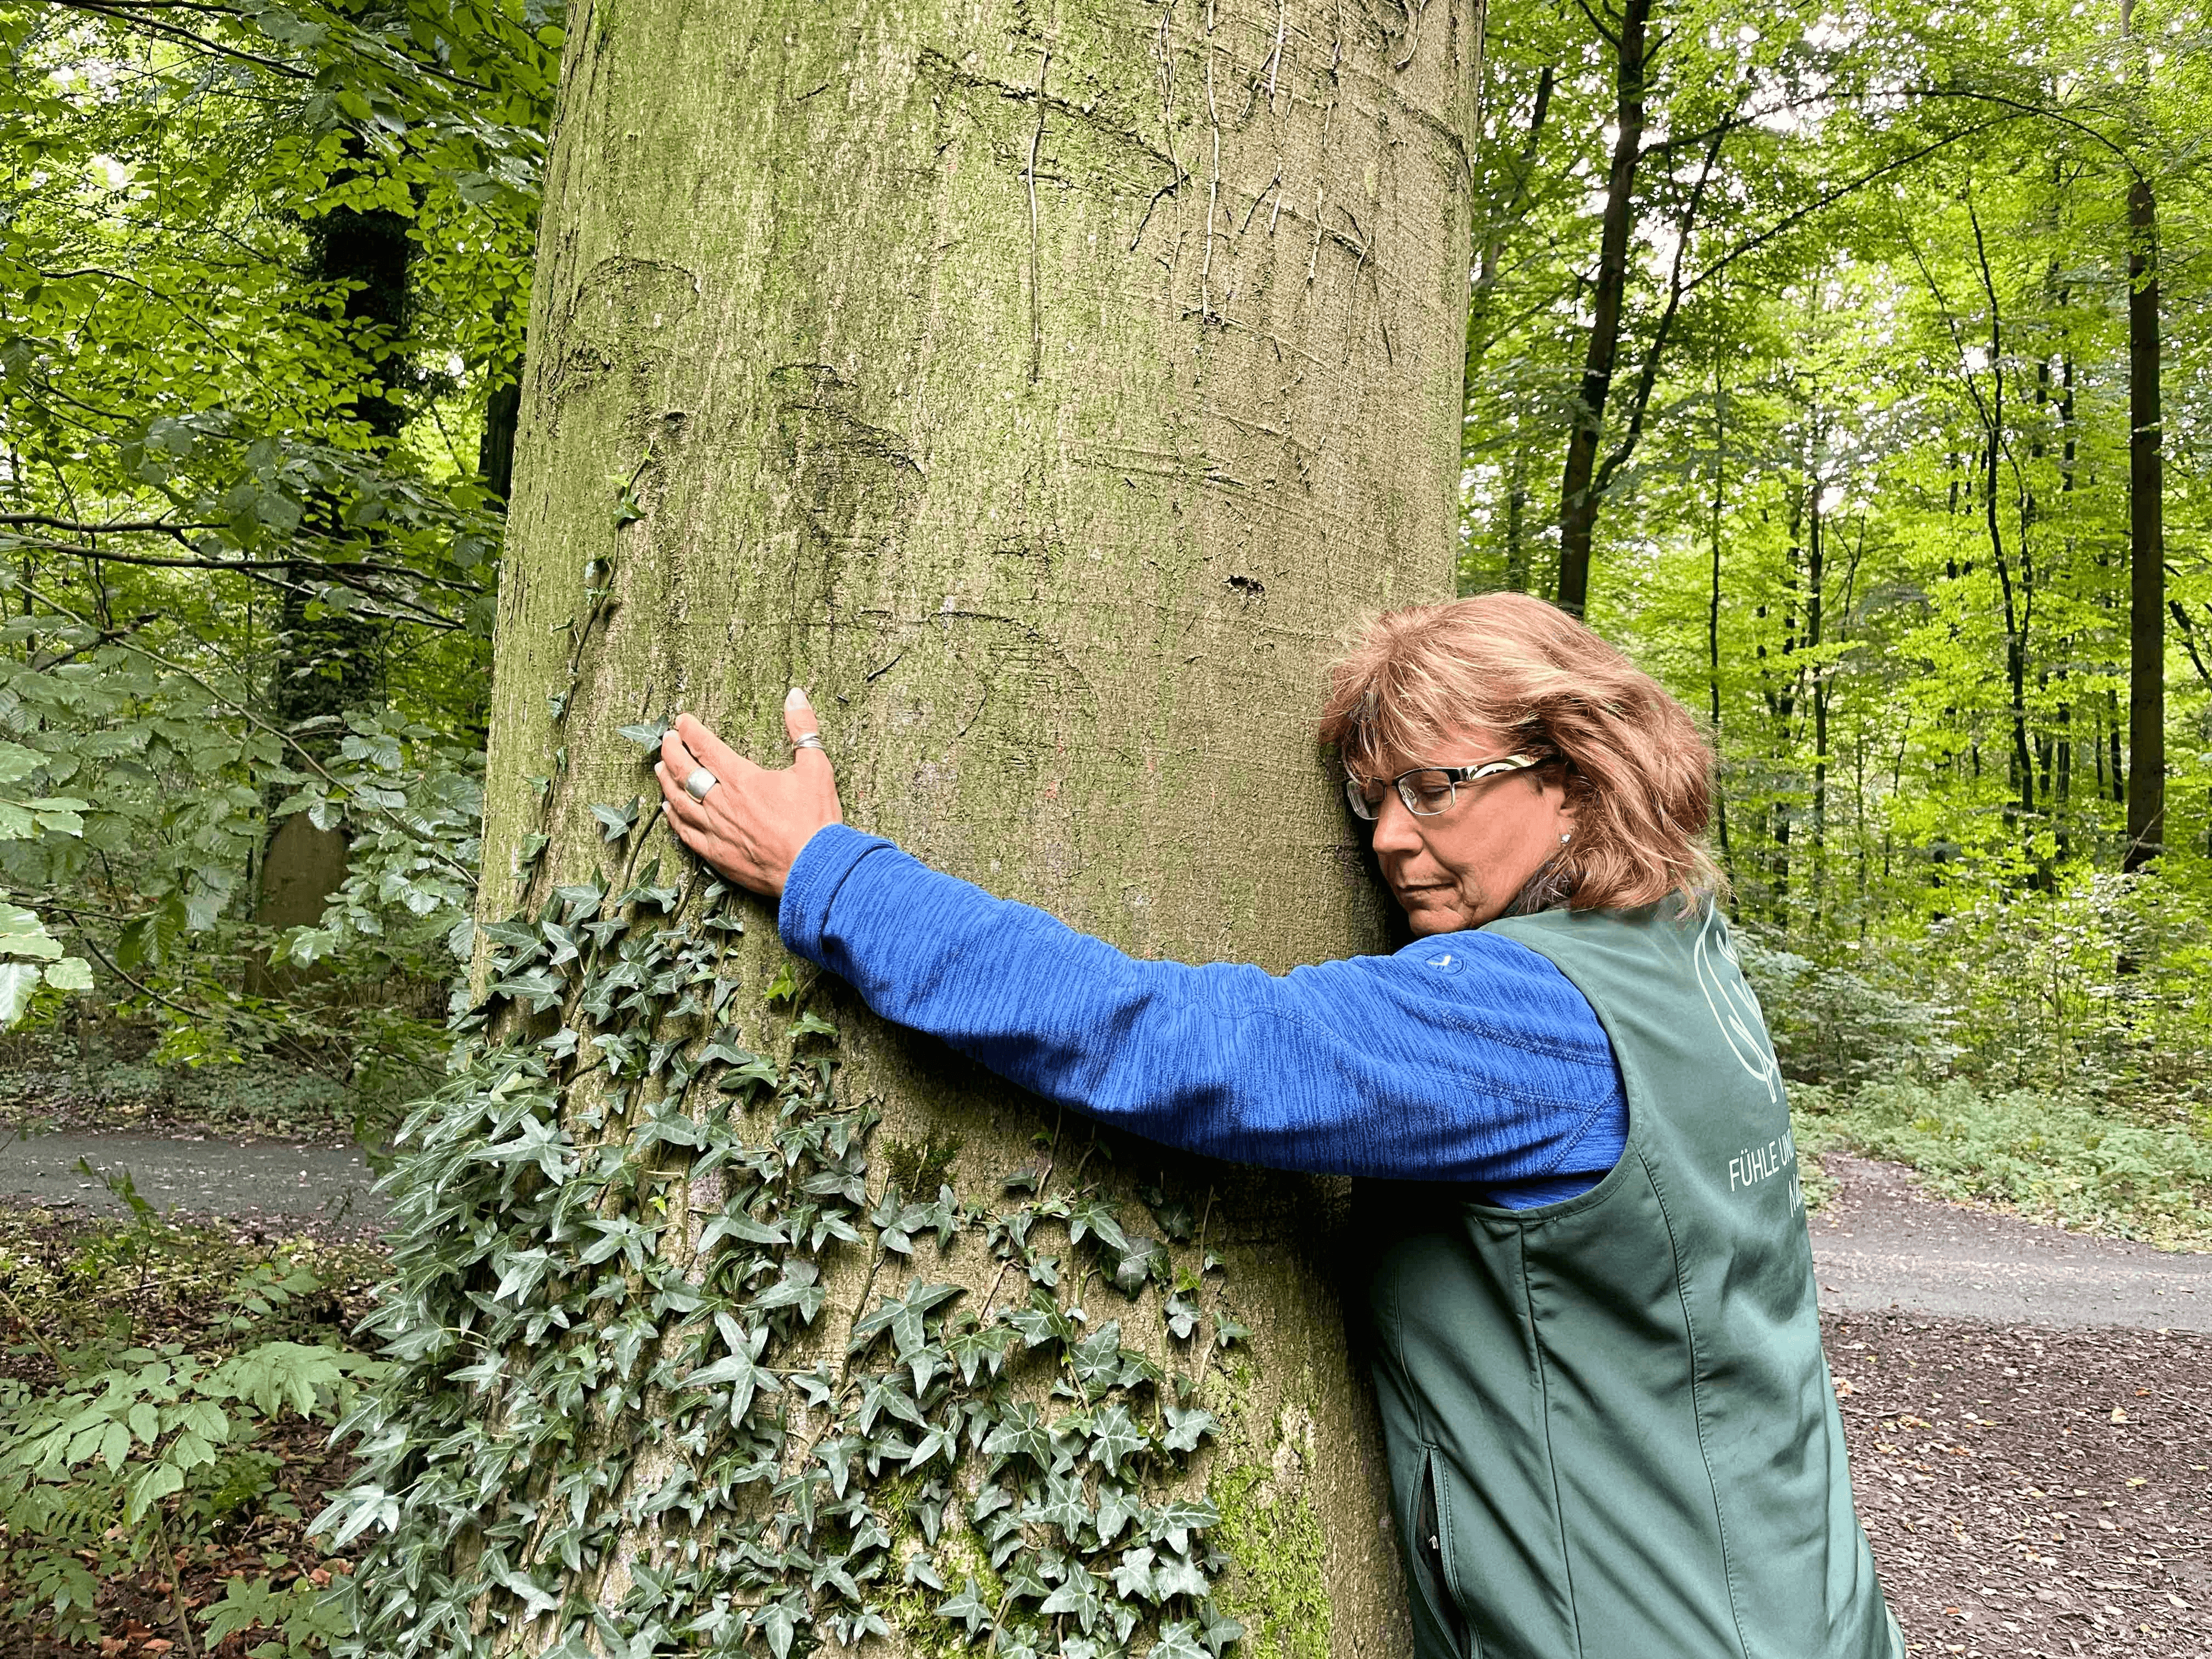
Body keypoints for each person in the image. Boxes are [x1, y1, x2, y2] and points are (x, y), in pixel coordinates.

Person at [653, 592, 1901, 1659]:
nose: (1395, 839)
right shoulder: (1683, 952)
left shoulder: (1528, 1015)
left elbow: (1188, 1044)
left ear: (1576, 775)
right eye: (1374, 802)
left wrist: (831, 873)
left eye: (1435, 788)